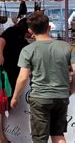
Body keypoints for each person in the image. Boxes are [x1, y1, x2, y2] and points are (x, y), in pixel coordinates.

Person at [11, 12, 75, 143]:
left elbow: (23, 78)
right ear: (49, 27)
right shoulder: (66, 47)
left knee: (40, 138)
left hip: (40, 98)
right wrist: (72, 89)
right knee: (58, 133)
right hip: (61, 96)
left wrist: (15, 97)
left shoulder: (28, 50)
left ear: (30, 30)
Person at [0, 18, 29, 143]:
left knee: (1, 100)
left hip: (7, 69)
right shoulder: (13, 31)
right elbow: (0, 41)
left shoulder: (24, 38)